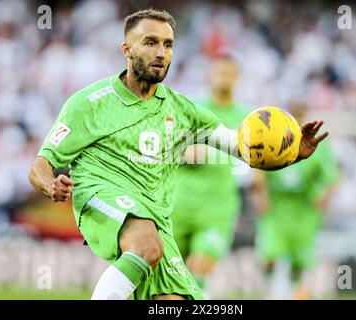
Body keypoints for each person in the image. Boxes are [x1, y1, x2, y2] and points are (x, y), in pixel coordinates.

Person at [28, 8, 328, 300]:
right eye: (150, 42)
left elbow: (244, 150)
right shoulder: (88, 103)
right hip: (101, 194)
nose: (161, 52)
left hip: (157, 219)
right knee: (146, 244)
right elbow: (41, 165)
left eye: (167, 44)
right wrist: (50, 184)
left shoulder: (184, 111)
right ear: (126, 49)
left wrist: (290, 155)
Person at [171, 55, 255, 297]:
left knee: (200, 267)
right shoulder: (192, 109)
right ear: (209, 75)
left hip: (218, 209)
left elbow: (257, 157)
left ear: (237, 78)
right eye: (219, 72)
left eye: (229, 73)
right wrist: (187, 152)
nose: (223, 78)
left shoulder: (247, 119)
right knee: (169, 279)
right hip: (179, 205)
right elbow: (165, 148)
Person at [255, 103, 340, 300]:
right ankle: (273, 289)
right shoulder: (275, 138)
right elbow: (258, 165)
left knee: (299, 264)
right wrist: (261, 193)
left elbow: (332, 177)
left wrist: (324, 197)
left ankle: (293, 292)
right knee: (269, 258)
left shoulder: (318, 147)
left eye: (301, 117)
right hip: (277, 211)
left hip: (304, 213)